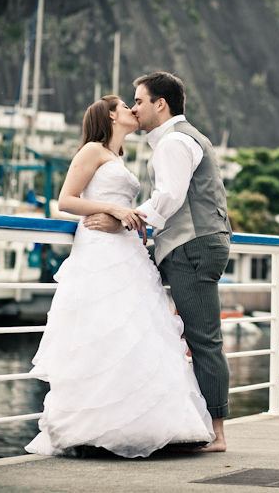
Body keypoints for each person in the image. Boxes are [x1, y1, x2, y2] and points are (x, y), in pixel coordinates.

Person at [25, 95, 214, 458]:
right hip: (98, 247)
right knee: (102, 329)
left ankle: (151, 425)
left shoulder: (117, 156)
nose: (133, 109)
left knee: (137, 332)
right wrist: (111, 207)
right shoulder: (92, 150)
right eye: (127, 105)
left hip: (127, 250)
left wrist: (122, 214)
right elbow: (66, 200)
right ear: (110, 115)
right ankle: (93, 429)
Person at [84, 72, 232, 452]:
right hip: (191, 244)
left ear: (160, 104)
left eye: (139, 100)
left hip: (191, 246)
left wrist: (122, 218)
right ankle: (195, 424)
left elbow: (168, 197)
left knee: (202, 340)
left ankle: (216, 433)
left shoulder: (173, 143)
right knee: (184, 335)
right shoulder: (184, 138)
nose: (134, 107)